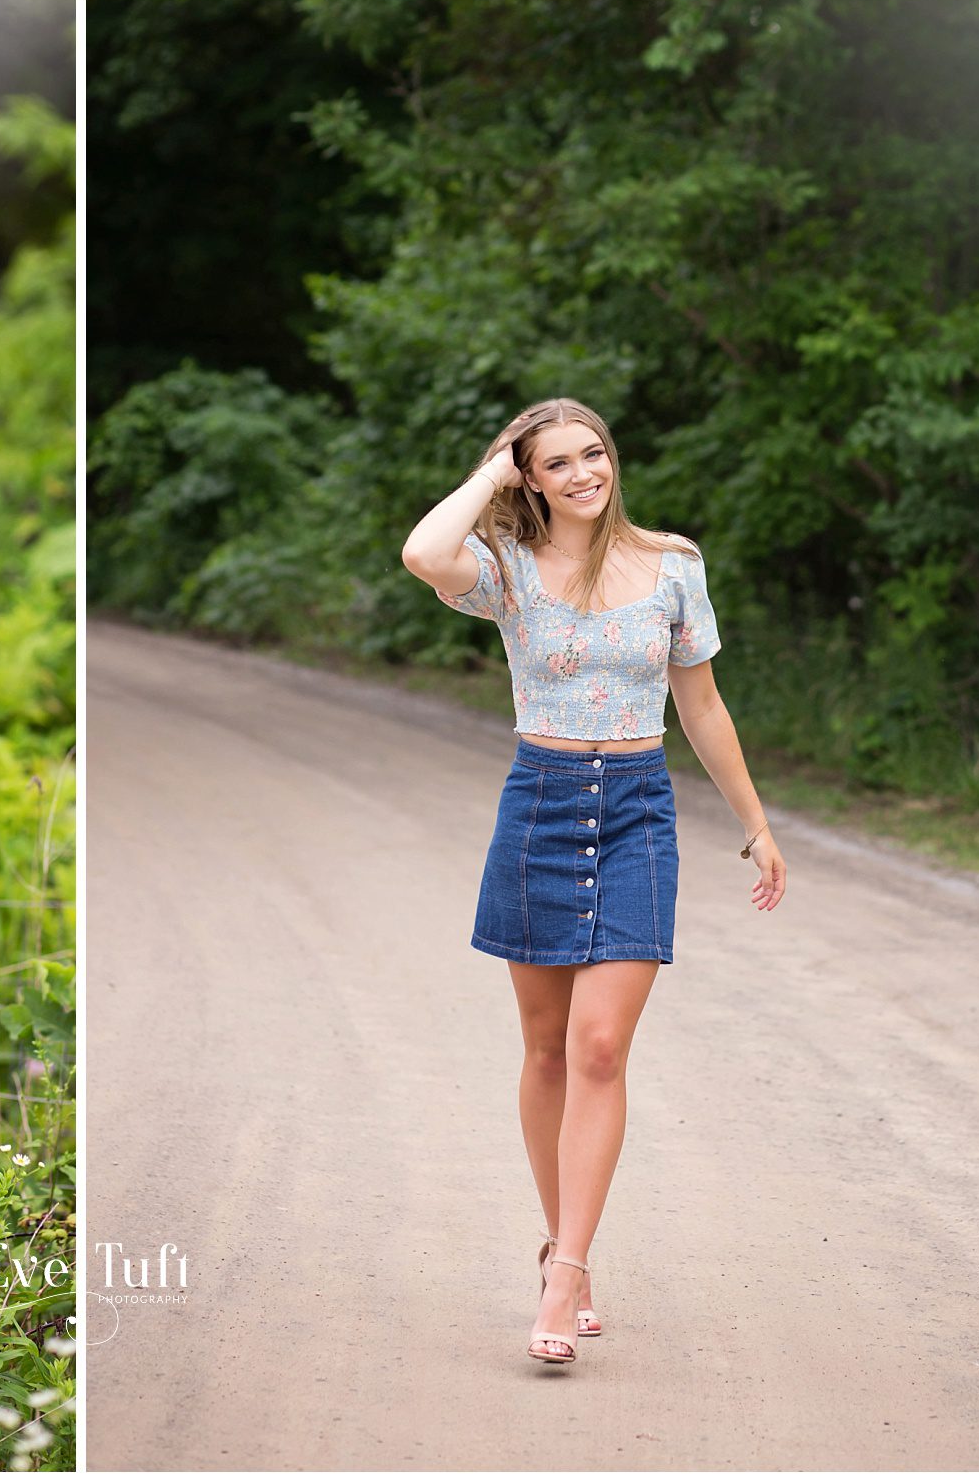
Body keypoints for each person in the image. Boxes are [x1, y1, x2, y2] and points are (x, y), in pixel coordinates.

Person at [399, 397, 786, 1365]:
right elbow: (419, 551)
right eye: (556, 462)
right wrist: (490, 475)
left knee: (599, 1047)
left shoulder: (671, 566)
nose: (582, 473)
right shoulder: (505, 572)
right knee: (542, 1052)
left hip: (636, 812)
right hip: (538, 799)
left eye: (593, 453)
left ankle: (566, 1267)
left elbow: (698, 705)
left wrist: (752, 823)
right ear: (529, 476)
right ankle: (561, 1245)